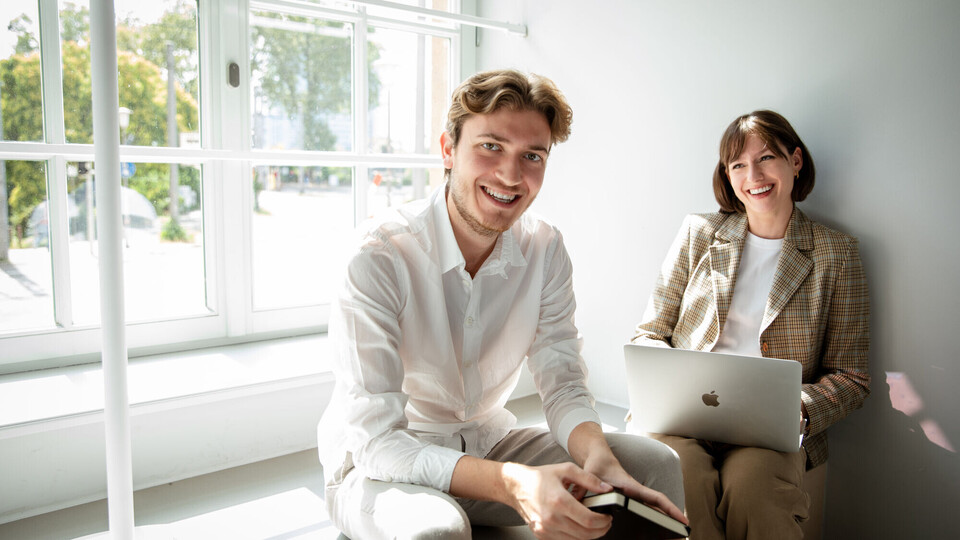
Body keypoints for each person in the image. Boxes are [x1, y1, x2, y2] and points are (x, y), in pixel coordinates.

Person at [317, 69, 688, 540]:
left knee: (654, 464)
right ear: (448, 150)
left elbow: (563, 383)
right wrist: (514, 484)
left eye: (532, 155)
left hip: (487, 446)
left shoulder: (545, 248)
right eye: (491, 146)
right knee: (437, 532)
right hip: (381, 466)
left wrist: (600, 460)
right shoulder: (377, 255)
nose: (511, 176)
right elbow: (379, 441)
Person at [632, 109, 870, 539]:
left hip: (768, 430)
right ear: (727, 174)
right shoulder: (699, 232)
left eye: (766, 159)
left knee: (754, 490)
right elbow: (650, 331)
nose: (752, 175)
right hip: (685, 416)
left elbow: (852, 377)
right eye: (738, 164)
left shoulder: (836, 253)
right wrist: (663, 380)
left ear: (795, 161)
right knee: (680, 479)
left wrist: (797, 407)